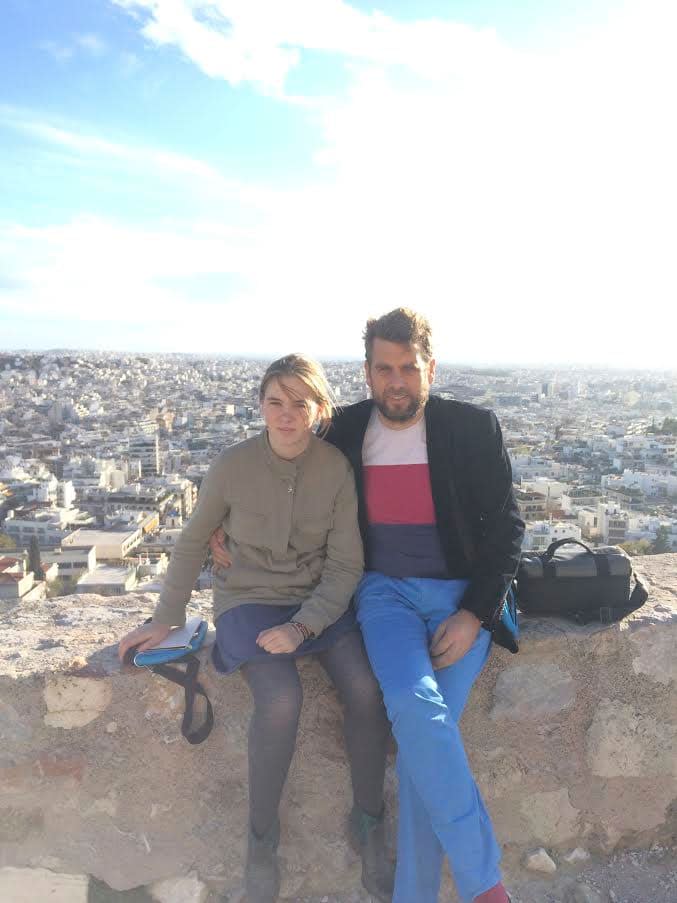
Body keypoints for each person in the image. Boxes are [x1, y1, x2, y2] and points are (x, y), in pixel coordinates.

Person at [212, 310, 524, 903]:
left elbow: (508, 529)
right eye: (385, 369)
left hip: (462, 599)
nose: (398, 381)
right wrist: (220, 531)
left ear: (430, 368)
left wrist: (474, 613)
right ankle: (487, 885)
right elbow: (282, 473)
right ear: (367, 373)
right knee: (417, 710)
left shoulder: (472, 428)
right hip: (386, 596)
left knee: (418, 744)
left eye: (409, 368)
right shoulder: (346, 432)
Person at [119, 354, 393, 903]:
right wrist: (167, 617)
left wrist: (304, 625)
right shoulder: (233, 465)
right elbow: (195, 539)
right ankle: (260, 837)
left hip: (319, 602)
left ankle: (369, 820)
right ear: (260, 405)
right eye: (276, 401)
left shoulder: (334, 468)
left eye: (300, 403)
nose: (287, 414)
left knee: (366, 690)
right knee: (280, 700)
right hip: (247, 599)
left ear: (319, 411)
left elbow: (344, 565)